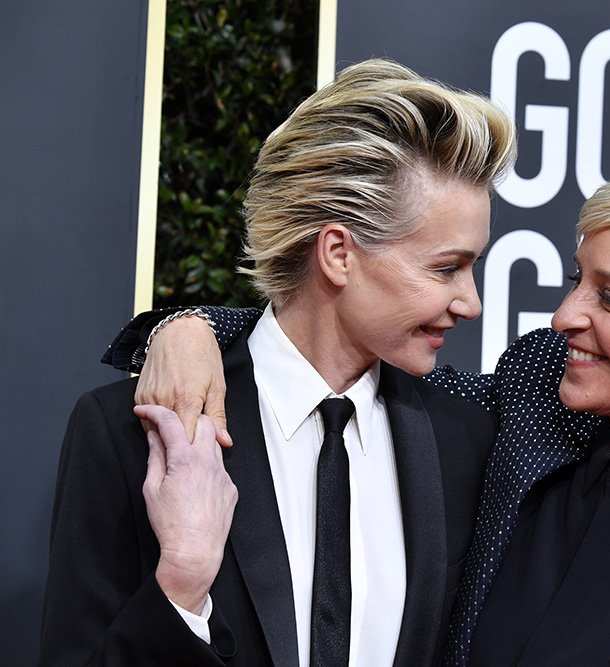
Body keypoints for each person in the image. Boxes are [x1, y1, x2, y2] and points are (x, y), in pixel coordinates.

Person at [101, 162, 610, 665]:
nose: (566, 313)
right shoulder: (536, 392)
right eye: (577, 279)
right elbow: (342, 357)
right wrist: (189, 328)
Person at [40, 57, 516, 666]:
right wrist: (182, 586)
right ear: (339, 253)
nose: (471, 303)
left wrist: (186, 321)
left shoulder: (467, 436)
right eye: (446, 268)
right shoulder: (131, 434)